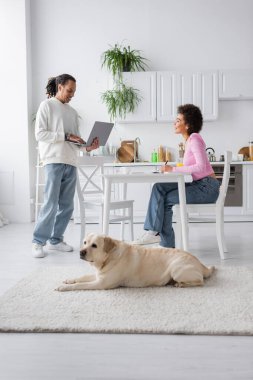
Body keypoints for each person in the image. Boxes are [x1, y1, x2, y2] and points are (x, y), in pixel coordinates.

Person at [133, 103, 220, 248]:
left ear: (187, 125)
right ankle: (155, 234)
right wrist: (175, 168)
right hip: (199, 184)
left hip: (207, 188)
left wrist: (173, 169)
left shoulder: (195, 138)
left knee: (164, 199)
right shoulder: (189, 140)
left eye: (178, 120)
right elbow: (194, 167)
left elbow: (200, 166)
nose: (175, 122)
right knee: (159, 187)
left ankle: (163, 243)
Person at [32, 74, 99, 258]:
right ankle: (38, 241)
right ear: (60, 87)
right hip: (53, 160)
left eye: (74, 92)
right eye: (69, 90)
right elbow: (40, 134)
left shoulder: (71, 111)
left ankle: (55, 240)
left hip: (70, 161)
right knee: (50, 203)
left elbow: (75, 139)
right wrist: (65, 136)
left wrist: (87, 147)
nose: (72, 94)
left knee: (67, 206)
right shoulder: (46, 106)